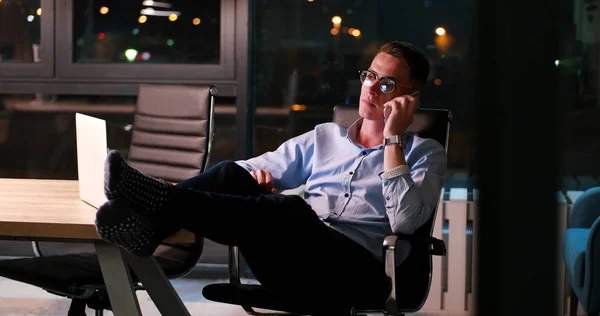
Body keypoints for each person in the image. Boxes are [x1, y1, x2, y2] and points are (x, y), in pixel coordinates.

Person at [95, 41, 446, 308]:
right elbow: (252, 170)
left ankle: (155, 201)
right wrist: (253, 184)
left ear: (409, 98)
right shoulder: (324, 137)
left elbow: (403, 224)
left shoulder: (425, 154)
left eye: (387, 84)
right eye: (370, 75)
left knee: (288, 209)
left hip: (358, 274)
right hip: (294, 264)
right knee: (233, 174)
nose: (370, 87)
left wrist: (392, 139)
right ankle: (151, 225)